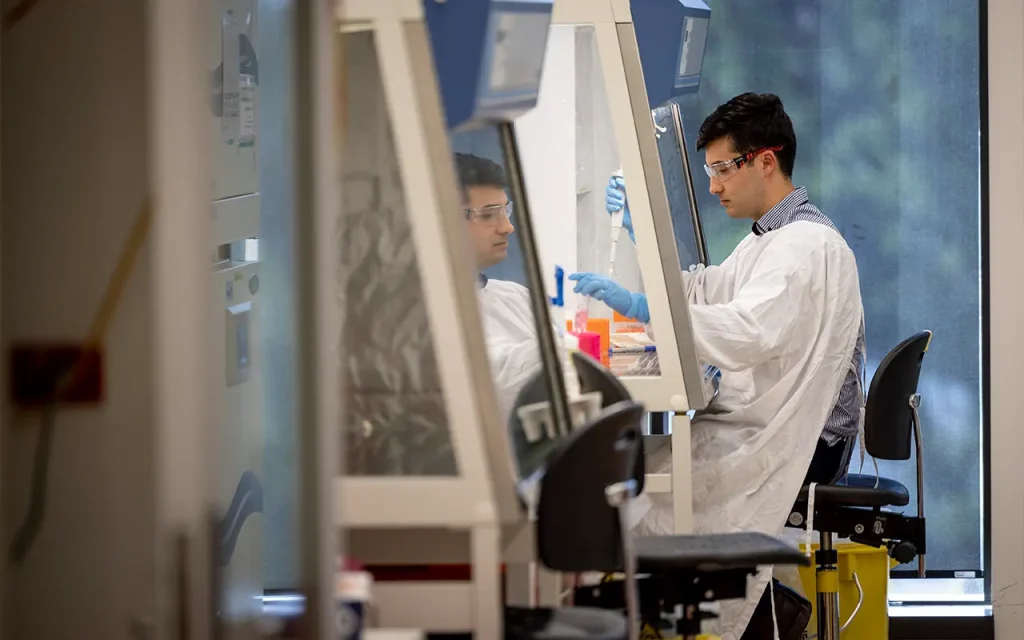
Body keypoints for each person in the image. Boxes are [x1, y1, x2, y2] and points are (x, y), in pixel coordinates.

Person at [570, 93, 865, 639]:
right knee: (637, 477)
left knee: (637, 494)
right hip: (767, 422)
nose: (714, 186)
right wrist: (646, 239)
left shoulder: (807, 246)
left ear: (766, 160)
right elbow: (709, 291)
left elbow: (746, 331)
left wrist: (647, 309)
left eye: (723, 170)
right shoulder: (774, 238)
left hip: (799, 442)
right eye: (709, 171)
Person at [454, 152, 542, 423]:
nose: (508, 227)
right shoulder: (420, 314)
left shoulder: (515, 296)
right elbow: (501, 387)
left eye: (506, 211)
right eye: (491, 215)